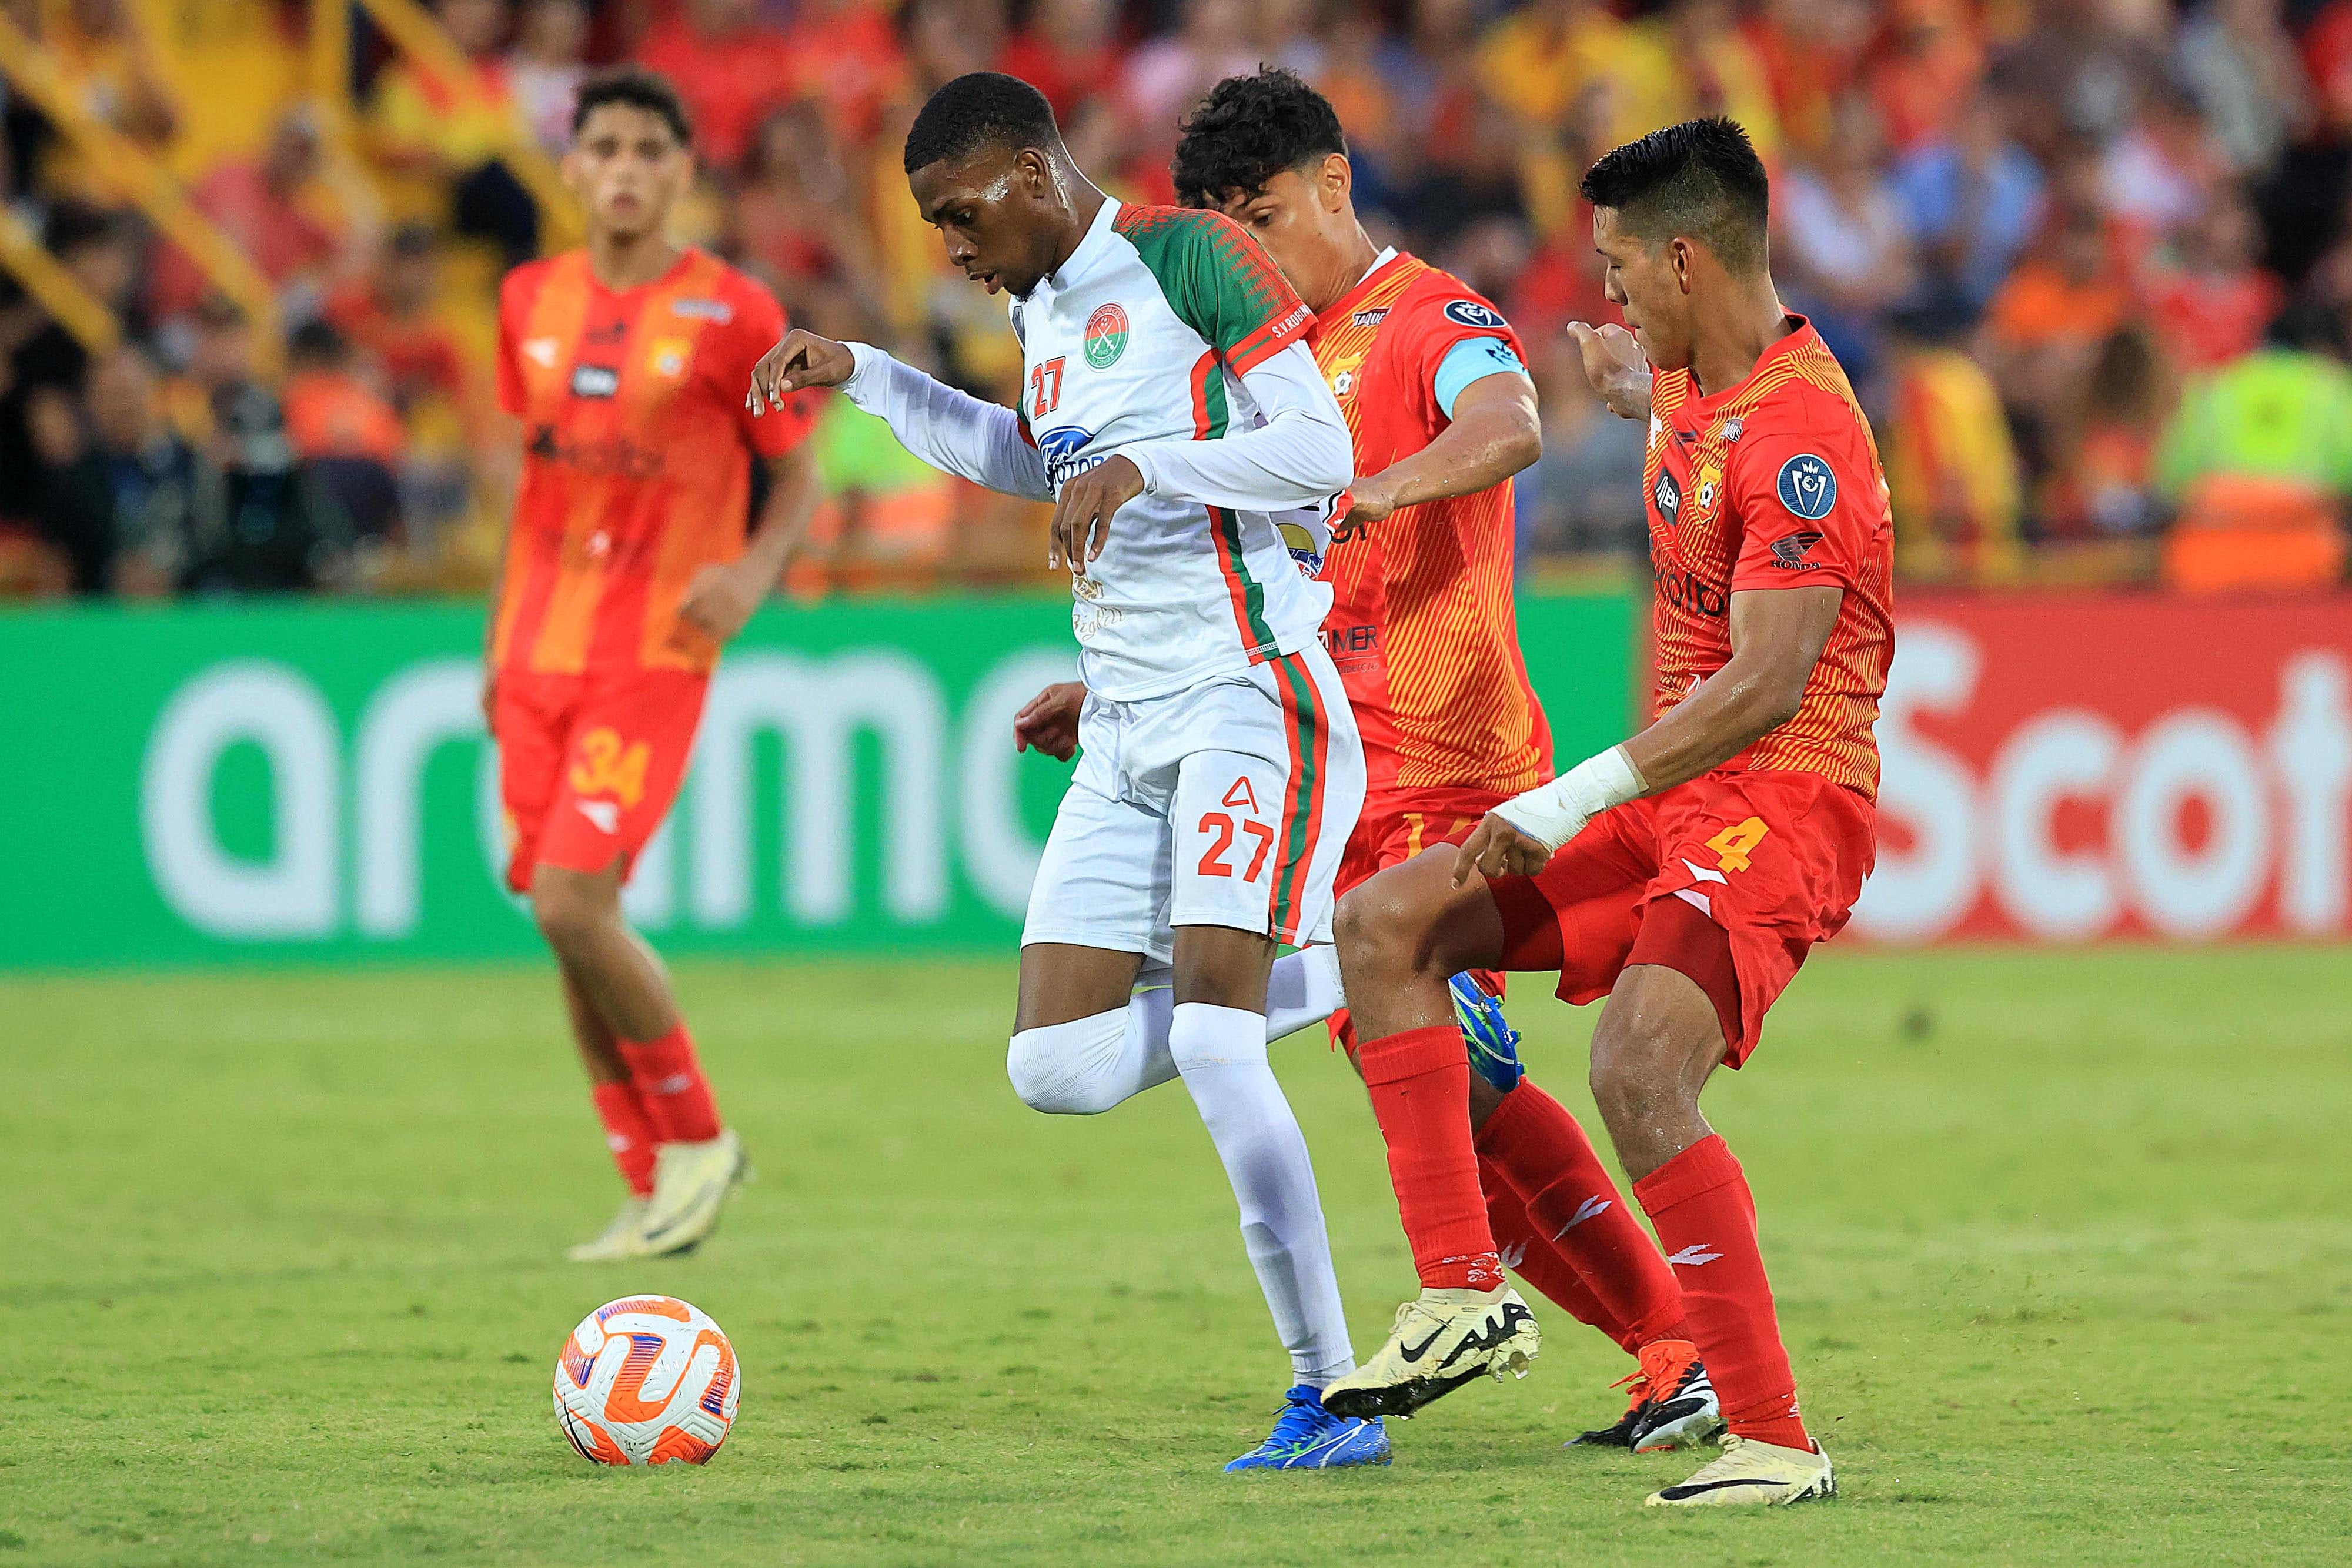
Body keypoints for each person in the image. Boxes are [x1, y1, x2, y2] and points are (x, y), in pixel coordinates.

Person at [1014, 67, 1716, 1453]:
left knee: (1455, 1080)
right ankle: (1666, 1348)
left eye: (1266, 216)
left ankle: (1629, 1330)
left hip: (1450, 765)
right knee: (1450, 1098)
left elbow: (1510, 423)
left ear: (1334, 182)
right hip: (1323, 767)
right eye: (1225, 228)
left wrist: (1388, 481)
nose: (1249, 250)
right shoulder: (1236, 362)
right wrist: (1120, 692)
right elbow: (1243, 576)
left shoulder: (1427, 315)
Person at [746, 72, 1385, 1472]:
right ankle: (1363, 966)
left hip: (1242, 691)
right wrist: (870, 374)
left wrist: (1148, 468)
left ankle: (1330, 1396)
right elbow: (1036, 463)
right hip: (1124, 725)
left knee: (1211, 1039)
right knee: (1053, 1064)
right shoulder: (1040, 309)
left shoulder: (1187, 256)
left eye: (959, 216)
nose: (951, 249)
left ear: (1032, 174)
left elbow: (1319, 450)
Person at [1332, 117, 1892, 1509]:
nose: (1606, 293)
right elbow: (1695, 424)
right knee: (1385, 927)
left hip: (1782, 797)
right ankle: (1460, 1289)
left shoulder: (1805, 432)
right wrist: (1639, 387)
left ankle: (1771, 1437)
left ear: (1684, 259)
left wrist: (1563, 795)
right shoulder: (1697, 378)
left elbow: (1765, 684)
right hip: (1677, 797)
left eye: (1620, 268)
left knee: (1638, 1068)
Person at [487, 68, 822, 1262]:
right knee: (567, 919)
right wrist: (496, 647)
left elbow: (796, 469)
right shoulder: (526, 299)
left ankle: (696, 1138)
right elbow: (532, 485)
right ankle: (647, 1183)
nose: (624, 169)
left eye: (647, 149)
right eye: (605, 148)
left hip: (653, 647)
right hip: (534, 649)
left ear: (682, 169)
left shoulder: (732, 312)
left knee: (572, 899)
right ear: (571, 167)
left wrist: (753, 571)